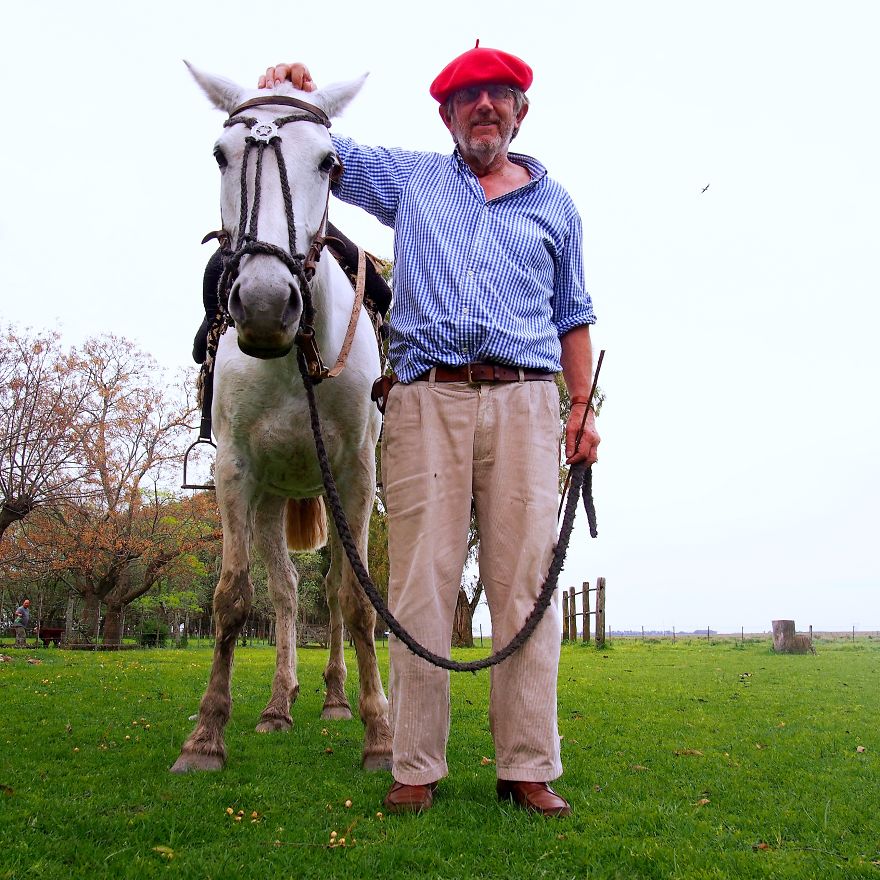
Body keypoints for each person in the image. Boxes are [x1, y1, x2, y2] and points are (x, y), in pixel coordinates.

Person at [259, 43, 600, 817]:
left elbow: (574, 315)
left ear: (520, 111)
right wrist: (291, 88)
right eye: (468, 97)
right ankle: (415, 764)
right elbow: (321, 150)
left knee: (524, 591)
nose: (485, 106)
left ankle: (526, 767)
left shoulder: (556, 206)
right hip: (425, 400)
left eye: (499, 95)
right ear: (447, 115)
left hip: (524, 403)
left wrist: (580, 412)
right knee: (420, 586)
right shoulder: (412, 180)